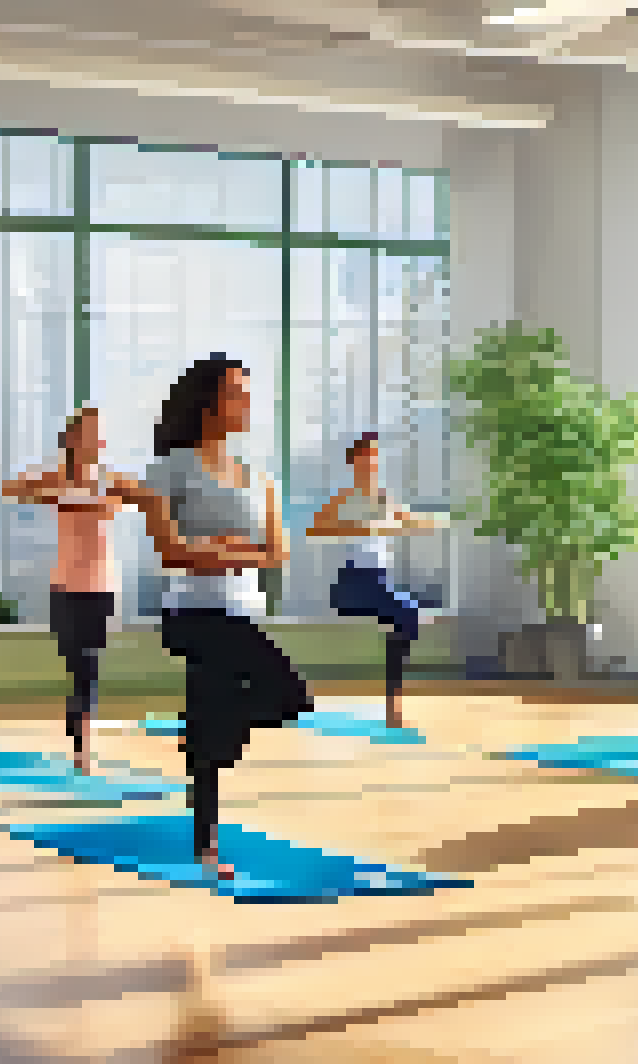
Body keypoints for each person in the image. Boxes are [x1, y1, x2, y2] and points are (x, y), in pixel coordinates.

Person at [122, 355, 311, 881]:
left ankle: (207, 813)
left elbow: (278, 553)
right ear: (207, 403)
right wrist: (236, 548)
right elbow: (170, 552)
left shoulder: (258, 477)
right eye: (235, 393)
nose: (245, 403)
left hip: (241, 611)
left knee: (260, 705)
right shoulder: (168, 470)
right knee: (282, 697)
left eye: (246, 393)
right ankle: (207, 834)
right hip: (193, 613)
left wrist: (216, 546)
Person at [2, 406, 135, 774]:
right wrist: (57, 491)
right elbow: (12, 489)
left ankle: (83, 747)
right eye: (90, 431)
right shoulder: (58, 477)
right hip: (65, 586)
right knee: (76, 663)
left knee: (89, 665)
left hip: (101, 586)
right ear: (73, 438)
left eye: (99, 432)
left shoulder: (109, 480)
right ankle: (79, 737)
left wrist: (86, 498)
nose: (97, 438)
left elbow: (134, 498)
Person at [305, 432, 446, 729]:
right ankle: (393, 705)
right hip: (354, 583)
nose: (370, 463)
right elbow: (314, 529)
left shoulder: (383, 498)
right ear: (353, 463)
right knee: (408, 612)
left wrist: (441, 521)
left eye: (374, 458)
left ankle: (393, 702)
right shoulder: (344, 498)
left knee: (408, 616)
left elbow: (407, 519)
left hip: (379, 582)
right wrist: (359, 526)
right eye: (365, 458)